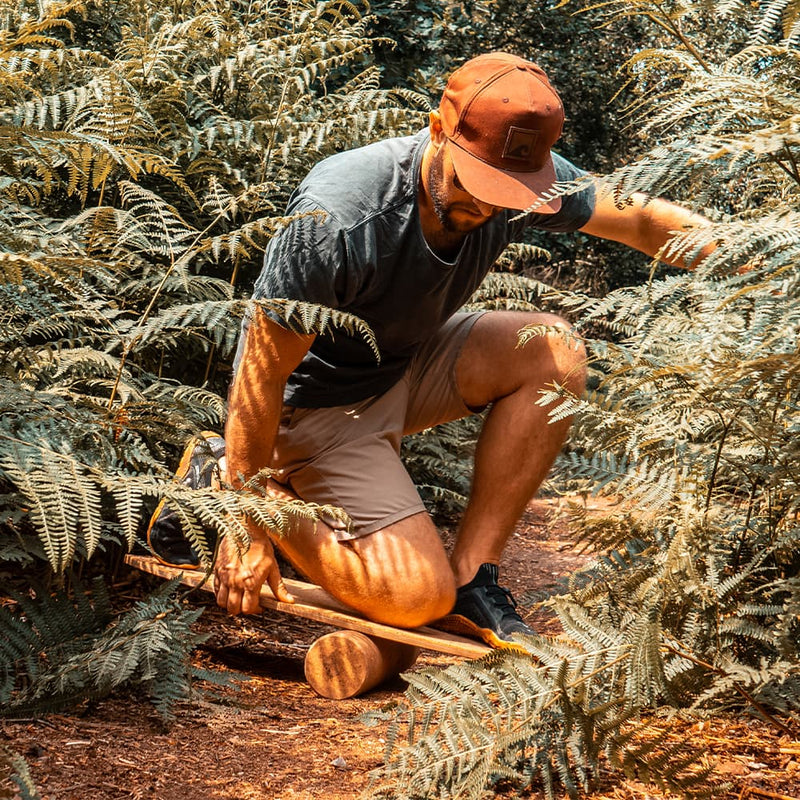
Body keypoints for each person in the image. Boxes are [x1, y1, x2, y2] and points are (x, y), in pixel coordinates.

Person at [148, 52, 710, 649]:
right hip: (312, 407)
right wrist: (248, 522)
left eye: (511, 193)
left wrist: (757, 256)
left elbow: (643, 223)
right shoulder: (341, 213)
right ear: (439, 131)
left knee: (553, 348)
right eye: (481, 186)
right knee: (417, 598)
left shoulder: (522, 175)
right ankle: (226, 481)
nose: (492, 207)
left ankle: (475, 577)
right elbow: (260, 375)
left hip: (403, 364)